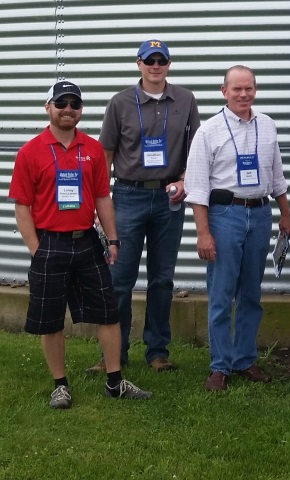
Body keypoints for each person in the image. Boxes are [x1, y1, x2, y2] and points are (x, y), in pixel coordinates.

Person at [8, 81, 152, 408]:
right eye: (62, 103)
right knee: (51, 318)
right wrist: (36, 249)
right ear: (48, 107)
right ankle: (60, 385)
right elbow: (22, 206)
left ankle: (114, 382)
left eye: (75, 104)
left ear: (81, 109)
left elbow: (103, 197)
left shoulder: (92, 149)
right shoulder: (30, 151)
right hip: (50, 245)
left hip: (87, 242)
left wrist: (112, 239)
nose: (68, 109)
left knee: (108, 311)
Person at [88, 39, 200, 374]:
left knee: (162, 279)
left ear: (168, 64)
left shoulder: (185, 99)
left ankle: (157, 351)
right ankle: (115, 353)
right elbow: (104, 154)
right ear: (138, 63)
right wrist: (99, 201)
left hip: (168, 199)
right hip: (128, 196)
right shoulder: (120, 103)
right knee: (119, 278)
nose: (155, 66)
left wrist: (183, 180)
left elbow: (196, 151)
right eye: (149, 60)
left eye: (161, 60)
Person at [183, 65, 290, 391]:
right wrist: (203, 233)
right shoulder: (209, 132)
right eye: (237, 89)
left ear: (255, 90)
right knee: (221, 294)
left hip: (260, 215)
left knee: (251, 294)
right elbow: (198, 189)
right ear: (224, 91)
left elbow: (277, 178)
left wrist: (285, 215)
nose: (243, 94)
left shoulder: (268, 126)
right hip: (225, 216)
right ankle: (220, 366)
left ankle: (244, 359)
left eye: (249, 89)